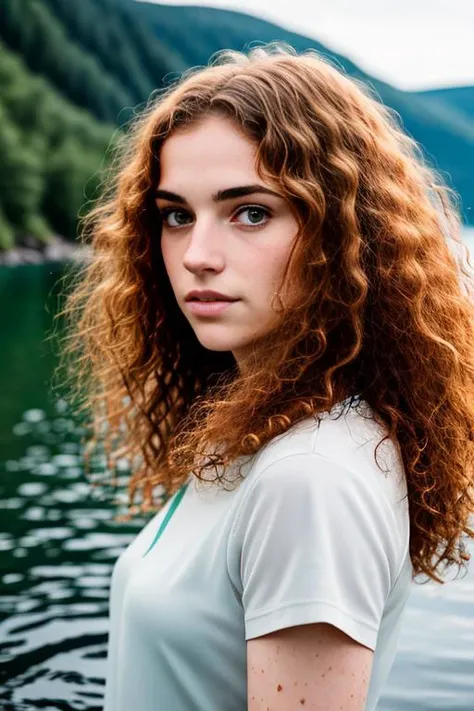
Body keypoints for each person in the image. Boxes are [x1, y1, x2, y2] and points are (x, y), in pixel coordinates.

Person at [58, 42, 474, 711]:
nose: (197, 255)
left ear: (344, 232)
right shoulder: (260, 426)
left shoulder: (309, 477)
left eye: (251, 211)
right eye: (176, 215)